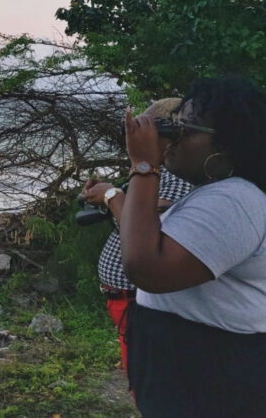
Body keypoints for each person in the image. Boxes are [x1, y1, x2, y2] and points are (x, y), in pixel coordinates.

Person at [120, 76, 266, 417]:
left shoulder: (235, 201)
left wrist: (143, 165)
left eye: (183, 128)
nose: (171, 137)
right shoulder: (213, 195)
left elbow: (146, 267)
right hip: (194, 369)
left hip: (219, 379)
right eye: (172, 123)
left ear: (225, 146)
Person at [81, 97, 192, 374]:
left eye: (146, 129)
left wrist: (111, 195)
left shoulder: (176, 176)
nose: (138, 137)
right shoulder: (157, 174)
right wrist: (111, 194)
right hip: (129, 299)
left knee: (148, 376)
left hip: (138, 299)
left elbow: (150, 230)